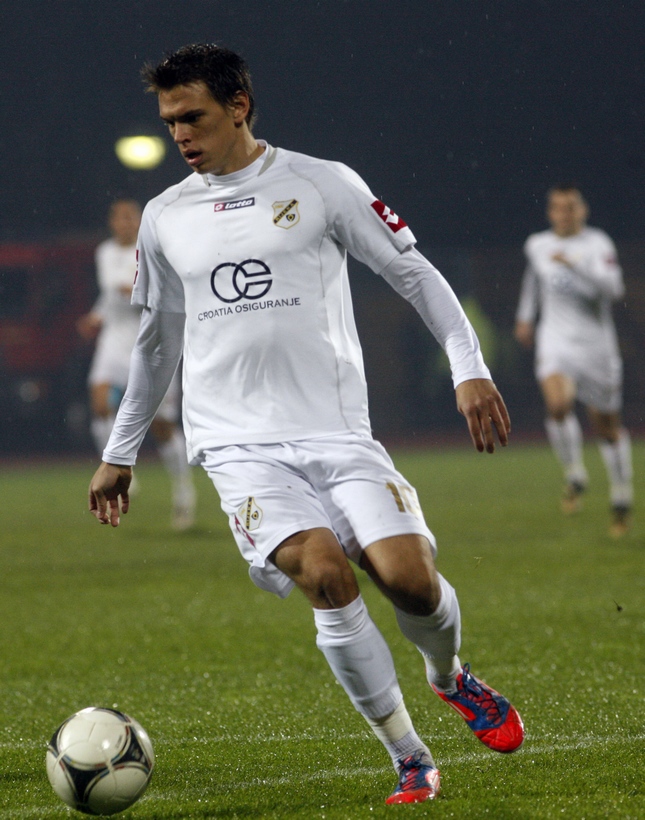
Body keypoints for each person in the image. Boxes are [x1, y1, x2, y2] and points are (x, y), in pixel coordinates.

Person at [88, 44, 524, 804]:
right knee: (325, 575)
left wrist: (468, 366)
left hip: (337, 433)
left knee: (412, 584)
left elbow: (412, 273)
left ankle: (450, 676)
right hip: (237, 447)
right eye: (169, 122)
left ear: (238, 106)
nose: (180, 134)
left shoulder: (321, 184)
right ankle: (409, 757)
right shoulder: (164, 217)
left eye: (193, 117)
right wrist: (119, 450)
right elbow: (157, 343)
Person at [514, 185, 633, 537]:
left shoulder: (598, 244)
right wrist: (525, 317)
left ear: (583, 210)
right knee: (557, 405)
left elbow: (614, 290)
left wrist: (576, 266)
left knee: (606, 428)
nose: (564, 214)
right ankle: (575, 473)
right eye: (557, 207)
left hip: (597, 347)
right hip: (556, 341)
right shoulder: (538, 244)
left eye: (570, 207)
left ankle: (621, 495)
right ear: (550, 212)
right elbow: (533, 280)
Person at [78, 198, 196, 531]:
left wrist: (133, 289)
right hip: (114, 339)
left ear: (141, 220)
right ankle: (119, 464)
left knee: (162, 425)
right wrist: (96, 316)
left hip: (150, 337)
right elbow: (111, 294)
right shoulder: (104, 252)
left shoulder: (156, 249)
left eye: (131, 217)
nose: (125, 223)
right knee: (100, 402)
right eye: (120, 217)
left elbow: (156, 292)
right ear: (112, 222)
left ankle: (183, 491)